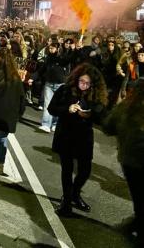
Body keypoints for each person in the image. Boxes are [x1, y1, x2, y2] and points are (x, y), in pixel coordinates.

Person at [48, 63, 107, 217]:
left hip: (84, 137)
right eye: (82, 82)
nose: (84, 85)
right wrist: (67, 109)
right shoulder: (65, 89)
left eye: (87, 83)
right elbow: (51, 108)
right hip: (65, 134)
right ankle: (66, 202)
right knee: (66, 170)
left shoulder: (96, 95)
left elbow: (101, 116)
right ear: (76, 79)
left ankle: (74, 193)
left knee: (85, 171)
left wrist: (91, 114)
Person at [103, 80, 144, 245]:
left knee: (139, 198)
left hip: (129, 162)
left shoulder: (126, 107)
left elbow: (107, 126)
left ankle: (134, 226)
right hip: (136, 160)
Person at [38, 42, 69, 133]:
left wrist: (75, 49)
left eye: (53, 48)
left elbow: (68, 59)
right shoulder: (48, 58)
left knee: (58, 105)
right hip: (49, 84)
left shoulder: (62, 57)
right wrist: (32, 78)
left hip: (60, 84)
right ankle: (46, 124)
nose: (51, 50)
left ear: (58, 49)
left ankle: (55, 124)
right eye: (50, 48)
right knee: (47, 104)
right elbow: (42, 69)